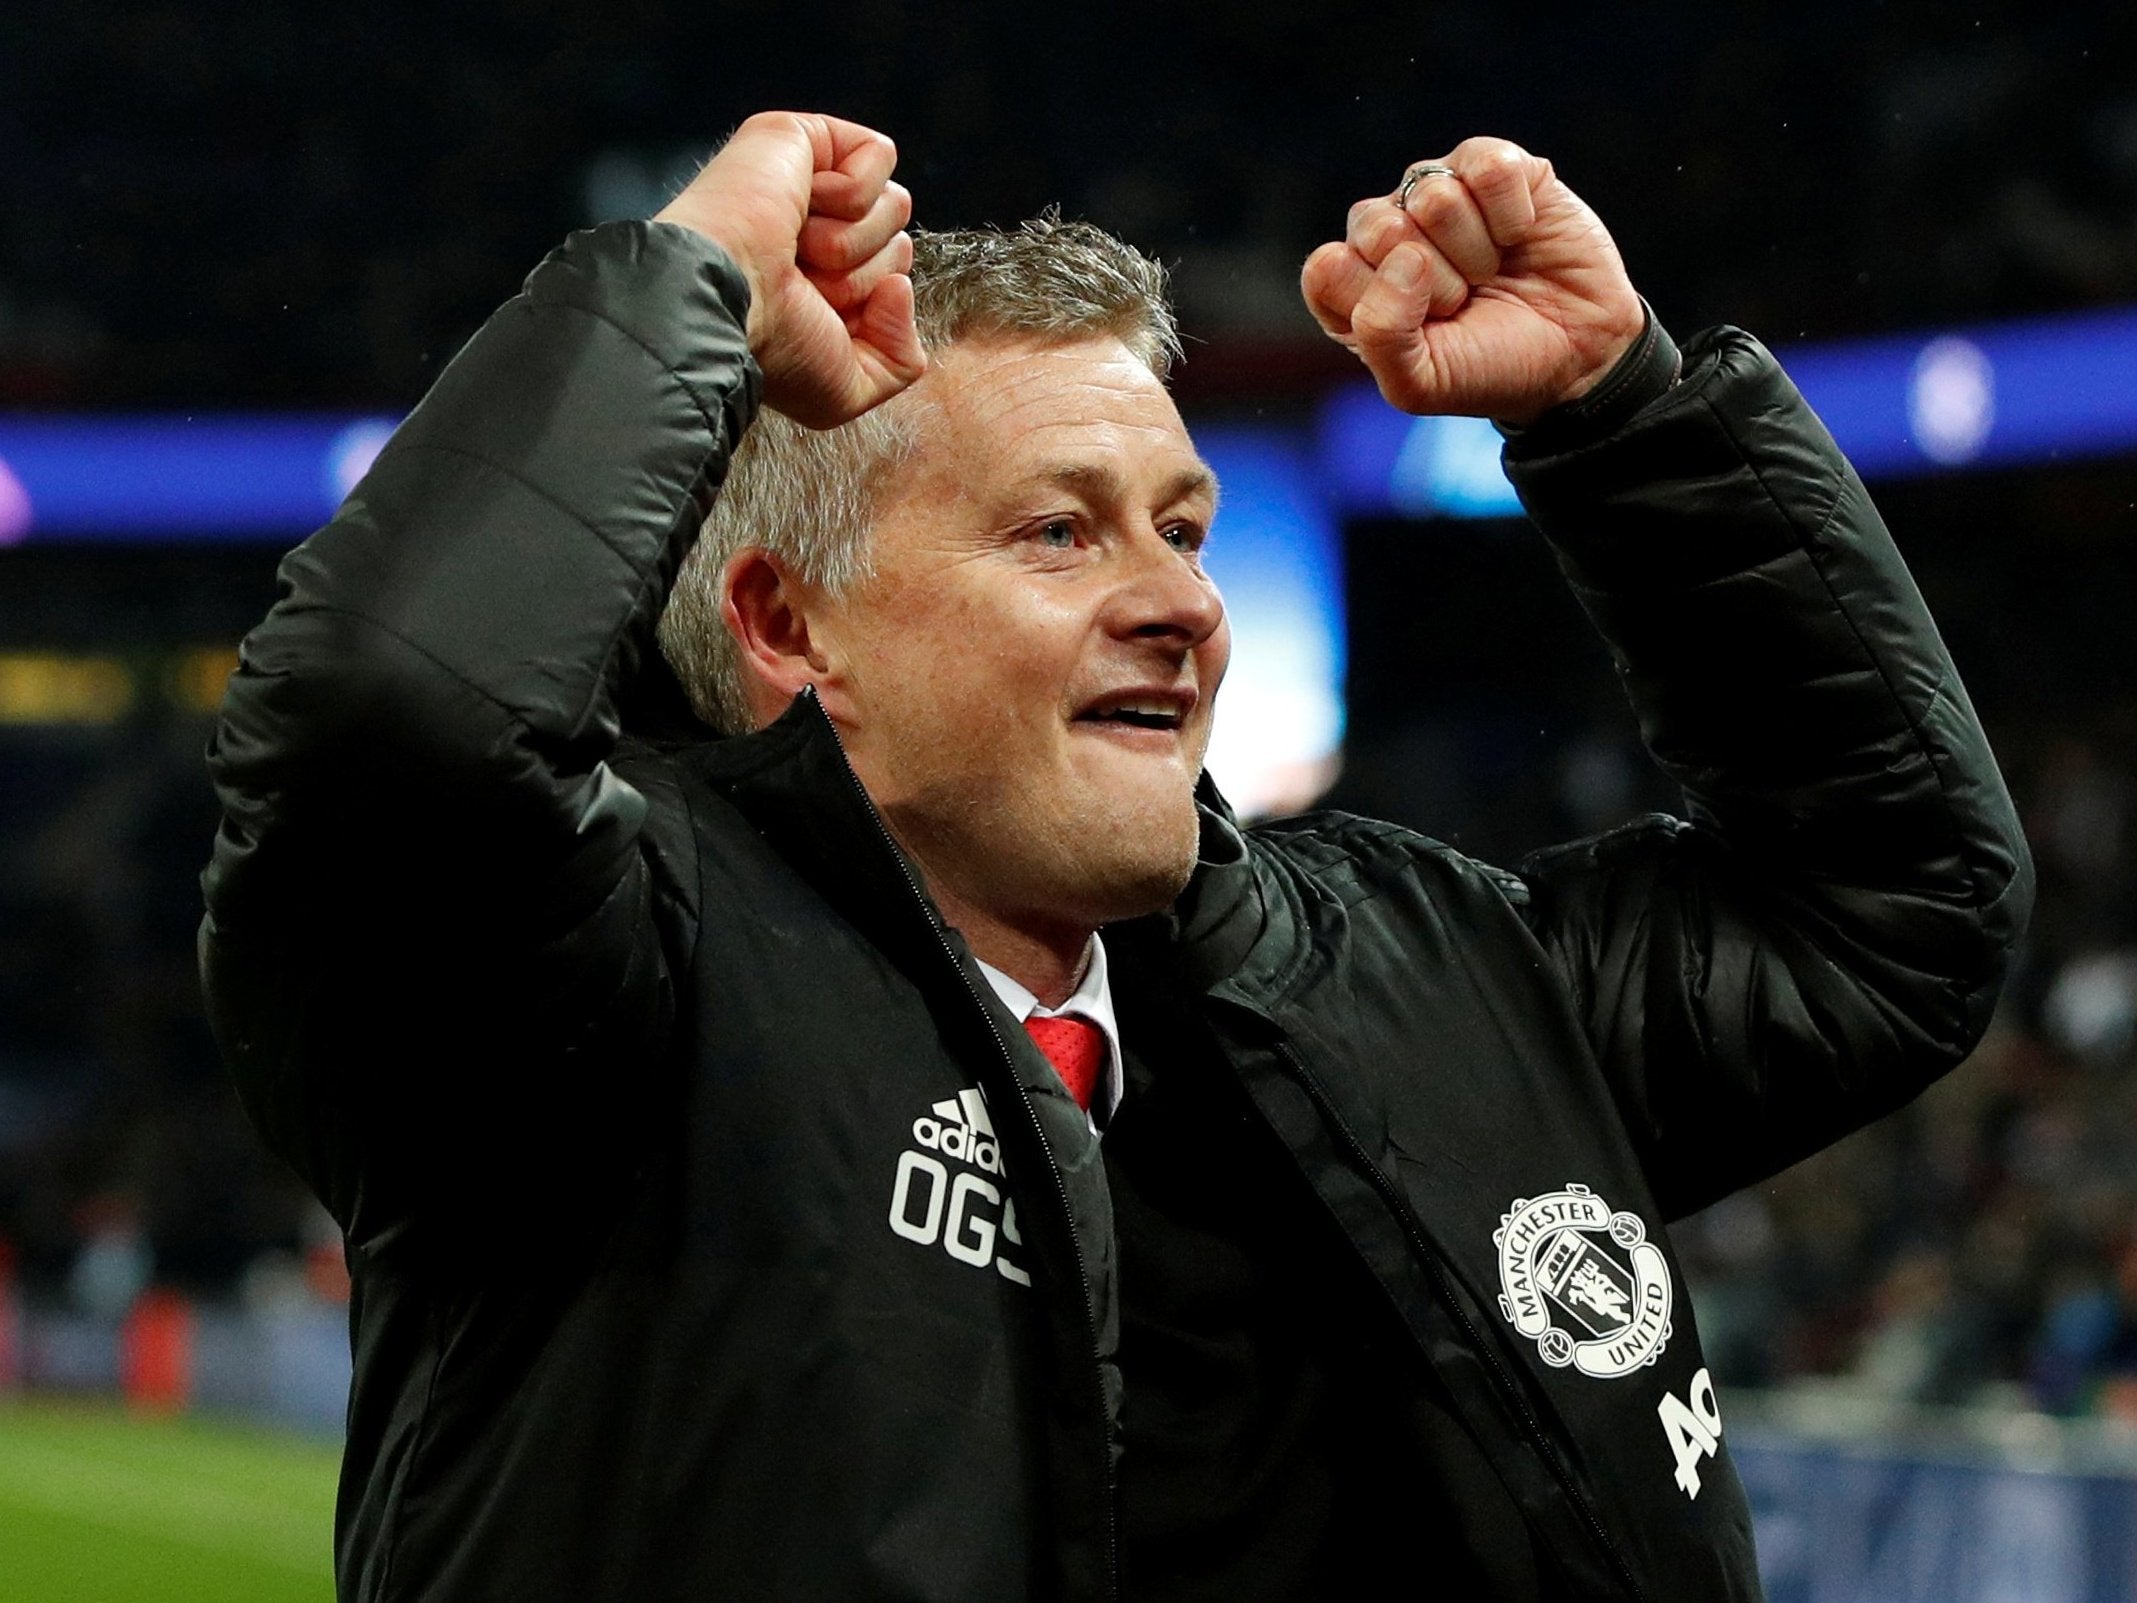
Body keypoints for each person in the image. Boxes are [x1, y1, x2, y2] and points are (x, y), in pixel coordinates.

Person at [200, 112, 2030, 1601]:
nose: (1176, 602)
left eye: (1182, 525)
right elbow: (388, 724)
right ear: (784, 627)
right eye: (1057, 536)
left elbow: (1889, 905)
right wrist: (682, 286)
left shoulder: (1412, 967)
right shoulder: (586, 996)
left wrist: (1624, 417)